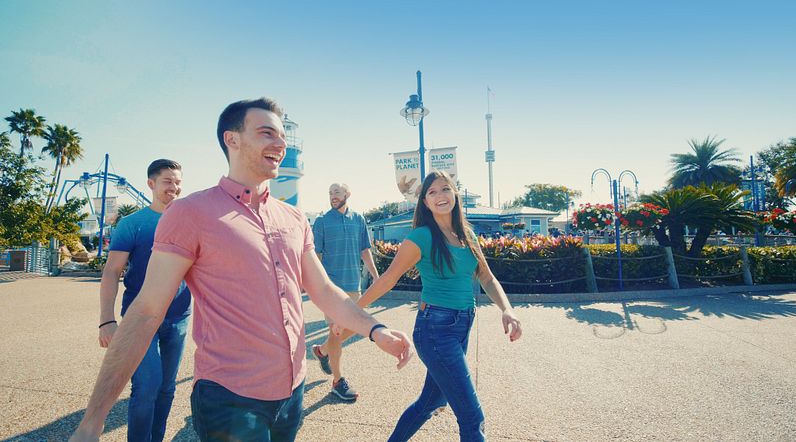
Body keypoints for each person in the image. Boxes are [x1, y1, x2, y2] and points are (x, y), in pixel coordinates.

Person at [71, 97, 412, 442]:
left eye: (283, 135)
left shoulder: (293, 218)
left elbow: (324, 291)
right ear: (231, 139)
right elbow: (145, 312)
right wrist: (93, 420)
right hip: (230, 399)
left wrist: (375, 330)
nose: (280, 143)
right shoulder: (190, 213)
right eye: (267, 133)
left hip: (292, 393)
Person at [348, 170, 523, 441]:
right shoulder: (422, 237)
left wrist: (507, 309)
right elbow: (388, 279)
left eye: (445, 189)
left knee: (429, 403)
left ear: (455, 194)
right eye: (432, 192)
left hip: (462, 325)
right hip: (435, 330)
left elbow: (486, 277)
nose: (440, 196)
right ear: (425, 202)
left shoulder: (467, 235)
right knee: (471, 417)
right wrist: (351, 313)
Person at [98, 159, 190, 442]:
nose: (173, 188)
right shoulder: (132, 224)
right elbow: (112, 272)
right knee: (146, 386)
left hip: (178, 318)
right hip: (140, 318)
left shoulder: (189, 223)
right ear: (151, 184)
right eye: (167, 182)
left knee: (167, 388)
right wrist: (106, 320)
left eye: (177, 182)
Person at [311, 183, 379, 401]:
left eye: (337, 193)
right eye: (330, 193)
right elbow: (316, 257)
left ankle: (322, 350)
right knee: (337, 332)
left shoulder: (359, 220)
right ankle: (338, 381)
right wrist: (315, 285)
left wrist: (377, 278)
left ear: (347, 195)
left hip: (354, 285)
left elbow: (365, 251)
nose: (333, 196)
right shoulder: (322, 222)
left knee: (353, 328)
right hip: (330, 288)